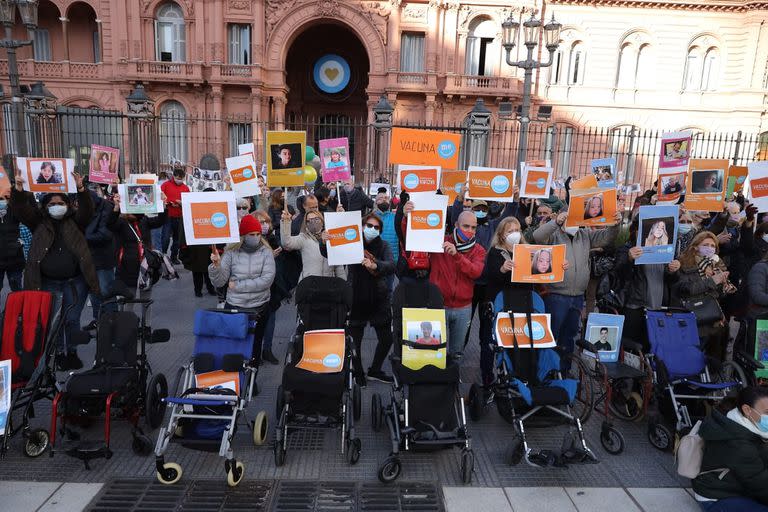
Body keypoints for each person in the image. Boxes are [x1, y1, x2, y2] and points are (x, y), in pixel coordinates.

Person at [11, 169, 95, 371]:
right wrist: (19, 190)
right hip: (47, 281)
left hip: (74, 281)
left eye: (60, 204)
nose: (56, 207)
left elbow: (88, 211)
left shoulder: (76, 222)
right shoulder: (38, 222)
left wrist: (81, 189)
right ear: (45, 207)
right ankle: (58, 353)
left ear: (67, 205)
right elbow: (21, 210)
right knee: (53, 320)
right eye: (52, 204)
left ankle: (72, 352)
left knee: (72, 319)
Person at [482, 217, 570, 386]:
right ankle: (488, 378)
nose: (514, 234)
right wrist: (502, 269)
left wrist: (559, 265)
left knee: (524, 342)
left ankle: (525, 375)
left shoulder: (529, 252)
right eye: (510, 231)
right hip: (502, 305)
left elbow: (539, 274)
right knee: (493, 343)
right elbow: (491, 275)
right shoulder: (495, 252)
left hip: (524, 304)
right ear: (501, 234)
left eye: (517, 230)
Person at [533, 208, 620, 359]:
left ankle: (564, 371)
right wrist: (556, 222)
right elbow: (537, 236)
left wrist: (615, 224)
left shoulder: (584, 234)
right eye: (569, 218)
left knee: (569, 338)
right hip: (556, 295)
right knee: (551, 336)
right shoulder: (553, 235)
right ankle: (547, 373)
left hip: (578, 296)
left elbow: (606, 238)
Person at [403, 203, 486, 356]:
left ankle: (453, 378)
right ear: (456, 225)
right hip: (439, 304)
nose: (469, 231)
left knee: (457, 351)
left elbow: (475, 272)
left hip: (463, 308)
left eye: (473, 228)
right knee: (434, 350)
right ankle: (436, 377)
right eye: (466, 226)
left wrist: (456, 256)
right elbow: (415, 237)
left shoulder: (479, 250)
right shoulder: (440, 241)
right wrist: (408, 219)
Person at [323, 213, 395, 382]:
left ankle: (375, 370)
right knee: (355, 340)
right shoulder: (353, 243)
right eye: (368, 226)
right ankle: (359, 372)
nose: (371, 229)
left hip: (379, 298)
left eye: (376, 227)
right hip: (356, 298)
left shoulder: (384, 246)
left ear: (380, 230)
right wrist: (323, 240)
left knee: (386, 339)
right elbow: (329, 253)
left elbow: (391, 265)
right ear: (361, 227)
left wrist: (375, 264)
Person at [209, 215, 275, 360]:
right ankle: (237, 378)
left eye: (258, 234)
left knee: (255, 346)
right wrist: (216, 266)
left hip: (259, 307)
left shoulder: (266, 252)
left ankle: (252, 379)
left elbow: (266, 280)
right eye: (252, 234)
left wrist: (238, 286)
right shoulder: (231, 252)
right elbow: (219, 281)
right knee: (234, 346)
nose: (256, 237)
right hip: (235, 307)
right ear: (244, 235)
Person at [692, 386, 768, 511]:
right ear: (747, 410)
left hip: (738, 486)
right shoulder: (739, 445)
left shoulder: (739, 420)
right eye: (767, 412)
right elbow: (761, 486)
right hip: (718, 498)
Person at [614, 218, 680, 350]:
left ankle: (648, 371)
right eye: (655, 227)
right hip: (635, 307)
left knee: (651, 348)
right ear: (636, 231)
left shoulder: (666, 250)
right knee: (631, 348)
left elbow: (671, 281)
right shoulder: (627, 248)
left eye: (661, 228)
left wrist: (674, 271)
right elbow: (619, 273)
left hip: (657, 308)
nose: (658, 230)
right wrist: (629, 259)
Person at [671, 231, 736, 360]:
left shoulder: (715, 264)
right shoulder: (683, 263)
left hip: (712, 321)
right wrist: (712, 281)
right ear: (695, 246)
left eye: (713, 246)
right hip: (692, 319)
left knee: (713, 359)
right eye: (706, 244)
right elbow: (686, 289)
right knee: (691, 359)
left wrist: (723, 287)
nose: (710, 248)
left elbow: (716, 296)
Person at [254, 210, 287, 364]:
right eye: (261, 222)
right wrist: (268, 257)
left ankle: (267, 349)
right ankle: (255, 352)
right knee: (255, 322)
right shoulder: (250, 241)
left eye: (266, 221)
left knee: (271, 319)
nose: (265, 225)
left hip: (272, 286)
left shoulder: (272, 239)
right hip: (256, 289)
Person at [83, 183, 116, 331]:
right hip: (89, 258)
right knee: (94, 291)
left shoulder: (105, 207)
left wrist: (83, 237)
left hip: (103, 258)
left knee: (106, 291)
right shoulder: (86, 209)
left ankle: (111, 320)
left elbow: (105, 234)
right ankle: (98, 319)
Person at [281, 209, 345, 281]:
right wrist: (285, 222)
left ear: (322, 220)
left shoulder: (330, 237)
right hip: (309, 284)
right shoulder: (303, 238)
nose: (313, 222)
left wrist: (344, 285)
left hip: (329, 284)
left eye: (316, 219)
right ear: (306, 223)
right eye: (309, 220)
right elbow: (286, 243)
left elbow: (339, 266)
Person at [160, 167, 189, 264]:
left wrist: (181, 203)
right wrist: (168, 202)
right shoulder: (165, 185)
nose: (179, 180)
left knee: (177, 238)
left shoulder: (185, 188)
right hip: (168, 215)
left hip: (179, 216)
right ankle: (163, 255)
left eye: (181, 179)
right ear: (173, 176)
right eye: (177, 178)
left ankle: (174, 256)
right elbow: (160, 196)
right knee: (166, 237)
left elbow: (188, 202)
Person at [0, 191, 26, 294]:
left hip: (15, 259)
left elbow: (25, 212)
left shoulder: (14, 210)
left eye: (3, 198)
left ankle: (14, 310)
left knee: (17, 289)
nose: (2, 201)